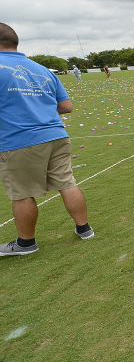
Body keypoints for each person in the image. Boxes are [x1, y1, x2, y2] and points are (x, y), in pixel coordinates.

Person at [0, 23, 93, 256]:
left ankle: (25, 243)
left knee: (22, 192)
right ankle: (84, 229)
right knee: (67, 182)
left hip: (20, 141)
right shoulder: (41, 69)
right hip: (56, 136)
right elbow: (66, 106)